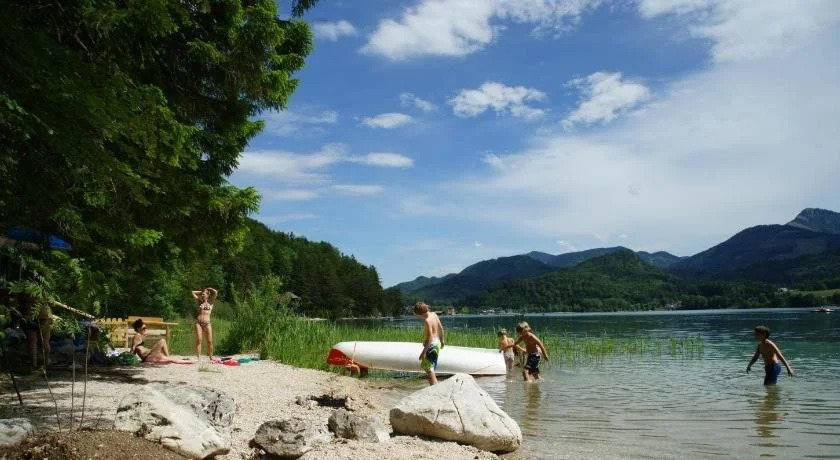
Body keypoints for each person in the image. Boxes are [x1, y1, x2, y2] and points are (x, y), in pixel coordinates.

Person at [414, 301, 445, 385]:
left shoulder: (427, 321)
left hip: (432, 346)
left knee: (428, 367)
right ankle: (433, 385)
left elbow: (430, 338)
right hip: (437, 343)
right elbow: (441, 328)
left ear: (420, 314)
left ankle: (435, 387)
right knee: (430, 366)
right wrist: (442, 341)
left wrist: (423, 352)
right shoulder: (434, 314)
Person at [192, 287, 217, 361]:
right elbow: (193, 292)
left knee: (209, 341)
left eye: (204, 294)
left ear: (208, 295)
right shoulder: (199, 301)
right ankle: (198, 357)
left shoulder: (211, 302)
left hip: (207, 323)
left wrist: (209, 289)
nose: (202, 295)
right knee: (199, 339)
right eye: (202, 294)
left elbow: (215, 292)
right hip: (198, 323)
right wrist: (202, 292)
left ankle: (211, 357)